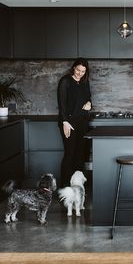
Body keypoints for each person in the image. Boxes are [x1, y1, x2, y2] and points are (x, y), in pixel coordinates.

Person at [57, 58, 92, 186]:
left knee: (80, 155)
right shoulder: (65, 81)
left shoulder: (85, 82)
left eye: (83, 71)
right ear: (73, 68)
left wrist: (89, 104)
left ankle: (77, 186)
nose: (80, 73)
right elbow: (62, 104)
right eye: (78, 70)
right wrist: (65, 122)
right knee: (69, 154)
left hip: (82, 121)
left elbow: (88, 98)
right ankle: (65, 188)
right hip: (69, 122)